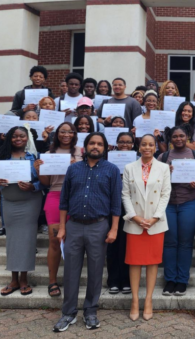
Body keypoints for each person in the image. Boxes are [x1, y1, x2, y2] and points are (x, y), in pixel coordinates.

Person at [54, 133, 121, 332]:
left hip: (99, 227)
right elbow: (64, 200)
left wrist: (114, 229)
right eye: (92, 143)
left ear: (104, 148)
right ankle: (68, 313)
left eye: (100, 144)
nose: (95, 146)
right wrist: (63, 227)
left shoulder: (112, 170)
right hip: (73, 226)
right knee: (70, 271)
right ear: (85, 147)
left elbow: (116, 204)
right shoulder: (73, 169)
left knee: (95, 271)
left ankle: (90, 312)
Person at [121, 134, 172, 321]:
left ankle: (148, 300)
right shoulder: (129, 167)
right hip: (135, 221)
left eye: (151, 144)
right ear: (139, 146)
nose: (147, 147)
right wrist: (134, 217)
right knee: (134, 261)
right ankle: (135, 300)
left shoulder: (164, 168)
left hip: (155, 222)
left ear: (155, 147)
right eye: (144, 144)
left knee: (152, 261)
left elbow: (166, 194)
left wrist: (155, 218)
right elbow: (125, 194)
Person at [0, 126, 40, 296]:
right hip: (9, 202)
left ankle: (24, 279)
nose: (18, 139)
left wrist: (33, 186)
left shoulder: (34, 158)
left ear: (27, 138)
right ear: (9, 138)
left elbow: (42, 182)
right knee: (12, 240)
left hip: (30, 202)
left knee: (28, 240)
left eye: (22, 136)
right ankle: (13, 279)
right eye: (14, 136)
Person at [34, 122, 81, 298]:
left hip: (76, 197)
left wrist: (76, 164)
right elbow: (46, 183)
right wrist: (39, 171)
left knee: (75, 241)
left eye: (70, 131)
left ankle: (71, 279)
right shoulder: (48, 154)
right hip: (55, 196)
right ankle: (52, 281)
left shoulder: (81, 152)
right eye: (62, 131)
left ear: (74, 134)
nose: (66, 134)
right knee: (54, 240)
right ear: (57, 134)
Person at [158, 126, 195, 297]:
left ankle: (182, 281)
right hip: (168, 204)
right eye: (175, 136)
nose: (178, 139)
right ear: (170, 139)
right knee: (170, 242)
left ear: (187, 137)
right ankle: (170, 280)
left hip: (189, 202)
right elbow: (156, 181)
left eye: (182, 136)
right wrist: (165, 173)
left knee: (185, 243)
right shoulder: (162, 157)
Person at [106, 132, 137, 296]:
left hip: (131, 206)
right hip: (111, 205)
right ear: (116, 143)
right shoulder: (108, 160)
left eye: (128, 142)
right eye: (121, 142)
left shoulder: (138, 161)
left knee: (127, 244)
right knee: (113, 244)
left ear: (133, 144)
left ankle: (126, 280)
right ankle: (113, 280)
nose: (124, 145)